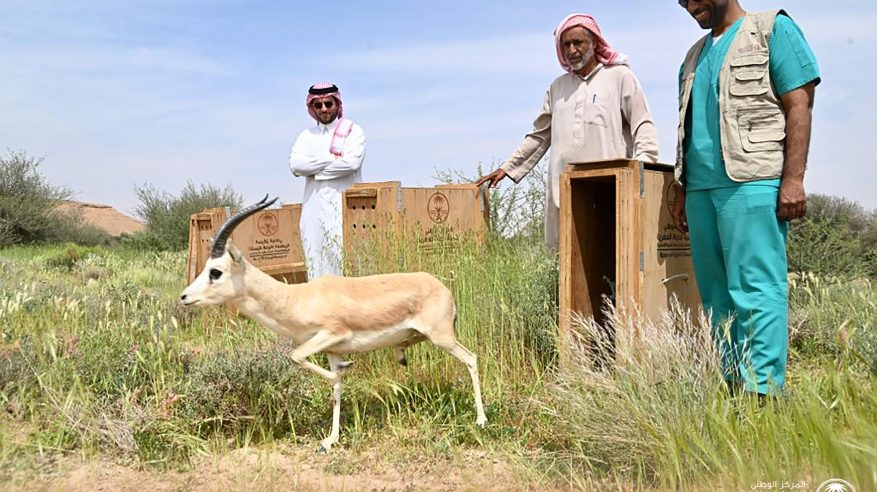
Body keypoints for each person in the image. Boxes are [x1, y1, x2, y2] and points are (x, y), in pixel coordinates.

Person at [672, 0, 820, 396]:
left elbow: (799, 104)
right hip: (701, 192)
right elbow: (687, 127)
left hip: (752, 181)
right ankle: (732, 385)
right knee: (716, 297)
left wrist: (793, 179)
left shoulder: (772, 29)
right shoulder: (693, 55)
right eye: (681, 1)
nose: (689, 5)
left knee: (755, 290)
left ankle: (763, 394)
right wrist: (681, 188)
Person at [475, 13, 659, 249]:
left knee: (612, 252)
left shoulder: (619, 77)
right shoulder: (557, 88)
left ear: (594, 43)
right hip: (565, 190)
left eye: (578, 43)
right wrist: (507, 168)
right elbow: (540, 136)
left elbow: (642, 124)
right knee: (567, 258)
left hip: (609, 188)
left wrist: (642, 169)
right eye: (566, 45)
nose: (572, 50)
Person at [289, 83, 366, 280]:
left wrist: (315, 172)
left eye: (328, 103)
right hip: (313, 211)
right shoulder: (306, 136)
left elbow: (351, 163)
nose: (324, 109)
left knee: (344, 261)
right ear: (312, 108)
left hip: (343, 209)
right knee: (316, 261)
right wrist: (331, 162)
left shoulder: (352, 130)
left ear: (337, 103)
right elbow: (296, 166)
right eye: (318, 105)